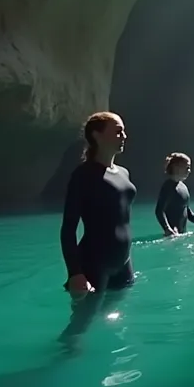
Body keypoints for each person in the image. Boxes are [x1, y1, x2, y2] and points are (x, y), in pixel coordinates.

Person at [58, 111, 136, 344]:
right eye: (118, 131)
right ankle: (60, 362)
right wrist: (75, 273)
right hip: (95, 261)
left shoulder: (123, 173)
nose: (124, 136)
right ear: (97, 135)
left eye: (123, 131)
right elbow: (68, 228)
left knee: (111, 318)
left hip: (123, 262)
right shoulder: (83, 176)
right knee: (80, 324)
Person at [155, 152, 194, 236]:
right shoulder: (168, 187)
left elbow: (189, 213)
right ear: (176, 167)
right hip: (171, 237)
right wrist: (167, 229)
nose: (189, 171)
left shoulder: (183, 187)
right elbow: (159, 211)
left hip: (181, 235)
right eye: (187, 167)